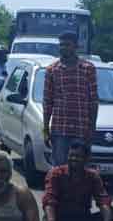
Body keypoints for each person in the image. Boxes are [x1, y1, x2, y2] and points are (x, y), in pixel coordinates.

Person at [42, 31, 98, 168]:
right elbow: (47, 102)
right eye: (61, 45)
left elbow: (93, 101)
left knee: (81, 169)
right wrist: (45, 130)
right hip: (60, 130)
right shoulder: (52, 70)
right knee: (60, 169)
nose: (63, 48)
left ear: (76, 46)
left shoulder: (88, 69)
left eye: (67, 45)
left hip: (82, 130)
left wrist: (92, 129)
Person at [42, 142, 113, 221]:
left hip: (82, 219)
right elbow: (49, 199)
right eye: (71, 155)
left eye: (78, 156)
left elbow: (103, 200)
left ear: (86, 159)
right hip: (61, 219)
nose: (73, 159)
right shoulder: (56, 173)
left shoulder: (93, 176)